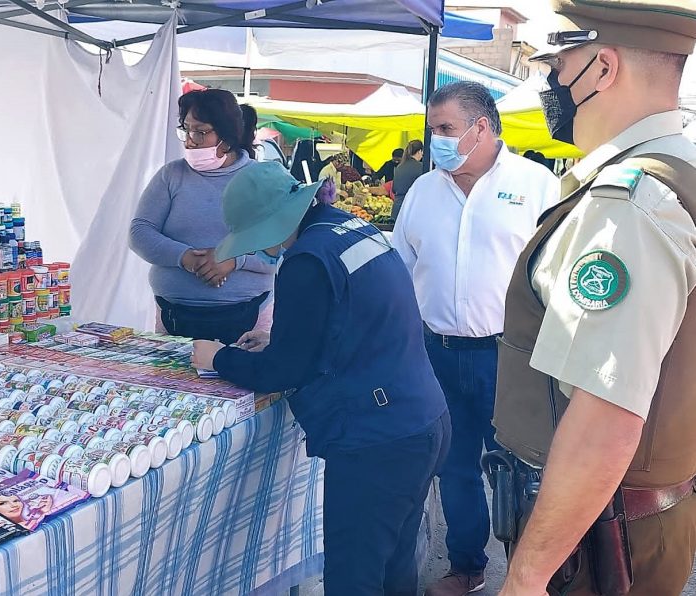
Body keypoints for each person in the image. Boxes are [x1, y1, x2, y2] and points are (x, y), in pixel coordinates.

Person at [490, 2, 696, 595]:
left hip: (602, 538)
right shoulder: (676, 170)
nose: (547, 82)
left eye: (555, 64)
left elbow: (606, 415)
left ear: (601, 68)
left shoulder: (630, 203)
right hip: (631, 520)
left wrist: (526, 578)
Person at [191, 161, 450, 595]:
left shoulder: (306, 260)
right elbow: (351, 319)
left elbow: (283, 371)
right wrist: (280, 337)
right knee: (393, 568)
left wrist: (219, 358)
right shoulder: (350, 228)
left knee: (356, 578)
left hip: (376, 440)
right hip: (420, 420)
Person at [391, 81, 560, 596]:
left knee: (522, 470)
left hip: (511, 357)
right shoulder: (422, 190)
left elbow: (554, 274)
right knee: (454, 469)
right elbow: (401, 268)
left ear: (481, 127)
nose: (436, 139)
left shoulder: (536, 186)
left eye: (445, 129)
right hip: (436, 355)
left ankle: (534, 577)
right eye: (432, 129)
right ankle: (466, 567)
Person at [129, 89, 276, 346]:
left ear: (227, 137)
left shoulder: (264, 180)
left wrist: (233, 260)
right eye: (186, 130)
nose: (189, 141)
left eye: (200, 132)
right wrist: (186, 258)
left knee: (241, 386)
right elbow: (140, 231)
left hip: (249, 318)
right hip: (174, 318)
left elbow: (281, 245)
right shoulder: (171, 175)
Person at [391, 139, 426, 220]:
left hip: (397, 209)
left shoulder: (400, 166)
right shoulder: (421, 167)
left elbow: (394, 189)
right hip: (411, 210)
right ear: (419, 151)